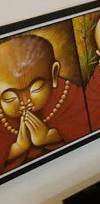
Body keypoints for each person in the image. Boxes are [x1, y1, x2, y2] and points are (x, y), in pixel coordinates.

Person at [0, 35, 90, 173]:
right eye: (9, 98)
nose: (25, 102)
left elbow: (87, 123)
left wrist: (49, 136)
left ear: (54, 74)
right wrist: (18, 148)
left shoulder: (66, 93)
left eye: (36, 89)